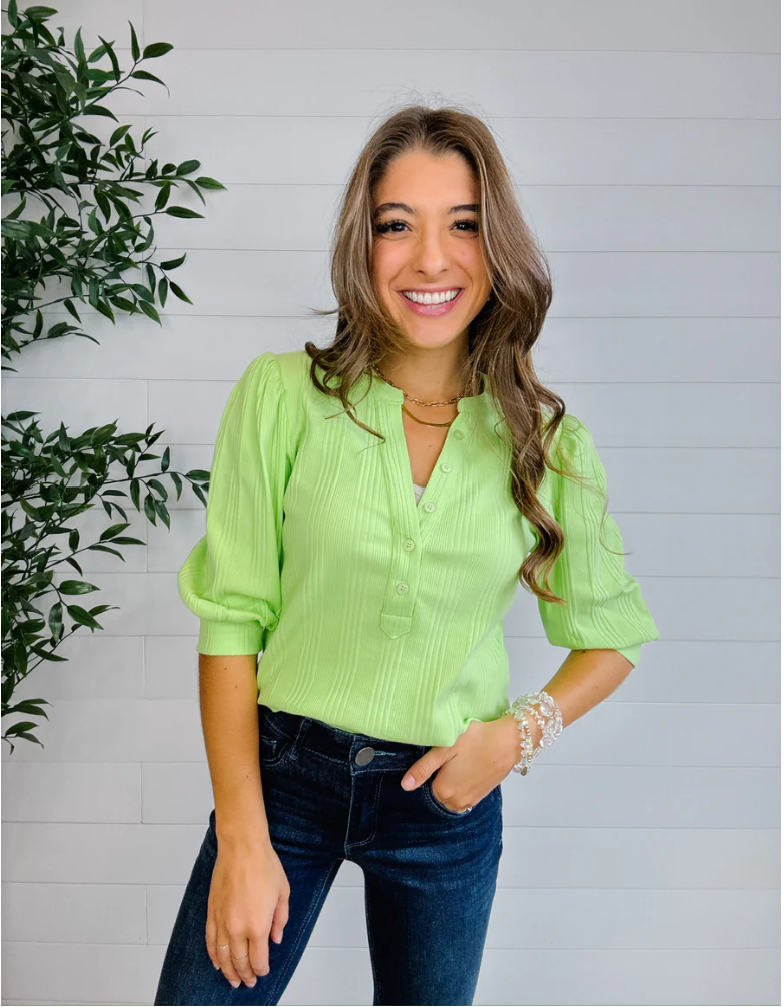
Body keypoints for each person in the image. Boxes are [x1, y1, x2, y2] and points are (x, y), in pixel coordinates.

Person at [153, 104, 659, 1007]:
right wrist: (241, 835)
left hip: (444, 803)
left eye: (463, 224)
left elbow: (612, 633)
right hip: (281, 783)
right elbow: (231, 621)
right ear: (364, 243)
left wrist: (515, 736)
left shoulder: (548, 443)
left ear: (498, 246)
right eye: (398, 225)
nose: (431, 259)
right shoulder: (281, 398)